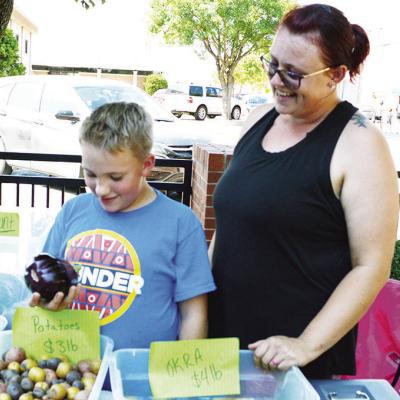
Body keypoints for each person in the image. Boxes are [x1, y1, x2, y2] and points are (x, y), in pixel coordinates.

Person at [208, 3, 399, 379]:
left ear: (336, 75)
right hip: (221, 344)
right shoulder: (256, 120)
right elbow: (229, 229)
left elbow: (371, 266)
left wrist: (305, 344)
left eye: (293, 73)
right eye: (273, 64)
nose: (277, 80)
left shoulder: (360, 144)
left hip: (291, 363)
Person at [30, 101, 216, 350]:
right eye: (91, 174)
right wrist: (47, 301)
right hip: (72, 372)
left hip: (142, 378)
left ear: (147, 165)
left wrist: (179, 376)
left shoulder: (181, 223)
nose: (102, 189)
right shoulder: (73, 211)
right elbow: (47, 278)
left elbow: (194, 314)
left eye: (116, 177)